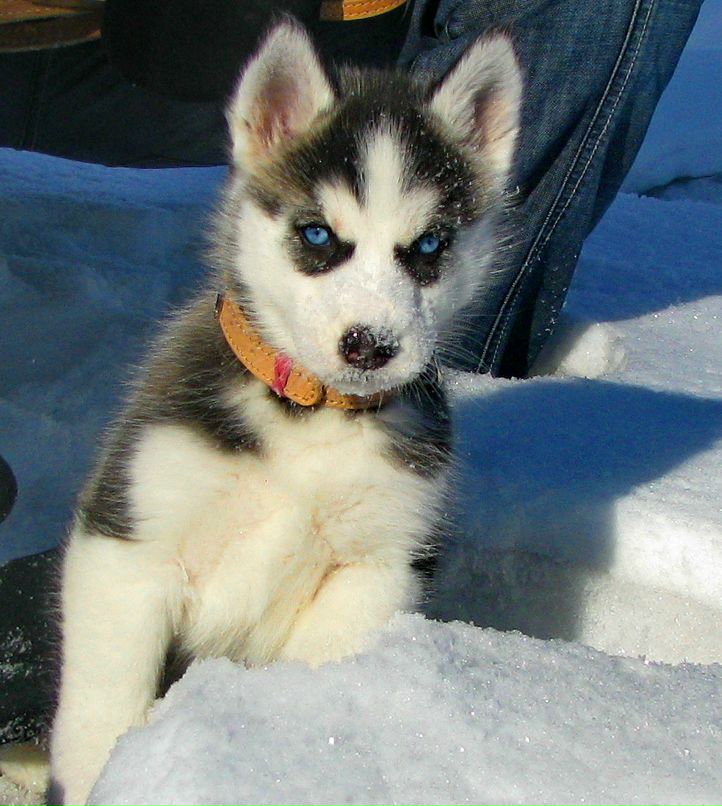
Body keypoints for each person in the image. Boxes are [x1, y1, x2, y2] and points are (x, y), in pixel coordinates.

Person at [0, 0, 704, 750]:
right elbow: (123, 562)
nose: (372, 320)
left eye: (424, 251)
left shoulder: (415, 443)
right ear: (263, 129)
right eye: (318, 239)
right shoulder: (191, 402)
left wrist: (298, 747)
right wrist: (94, 759)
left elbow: (371, 579)